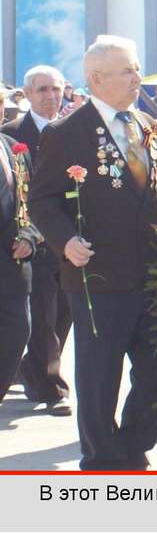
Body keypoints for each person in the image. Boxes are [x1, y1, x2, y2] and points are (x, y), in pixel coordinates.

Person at [28, 35, 157, 470]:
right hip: (98, 274)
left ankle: (133, 446)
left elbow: (155, 191)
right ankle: (102, 461)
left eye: (137, 68)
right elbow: (41, 200)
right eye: (129, 70)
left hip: (153, 273)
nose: (139, 77)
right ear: (98, 79)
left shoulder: (147, 127)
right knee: (100, 379)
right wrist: (65, 241)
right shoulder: (67, 133)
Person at [1, 66, 73, 415]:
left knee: (65, 311)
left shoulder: (76, 131)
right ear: (27, 95)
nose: (50, 96)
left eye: (56, 89)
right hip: (35, 240)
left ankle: (33, 367)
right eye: (43, 89)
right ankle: (50, 385)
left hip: (72, 237)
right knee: (42, 314)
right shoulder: (13, 135)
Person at [0, 133, 40, 403]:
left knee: (17, 332)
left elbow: (35, 202)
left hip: (12, 266)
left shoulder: (14, 148)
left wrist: (30, 236)